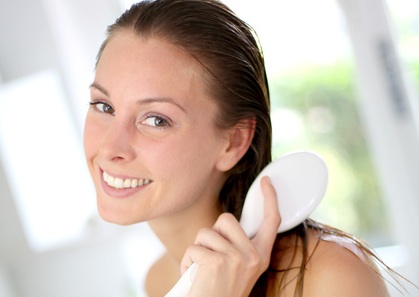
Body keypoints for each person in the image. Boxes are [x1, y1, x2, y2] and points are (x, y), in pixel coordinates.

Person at [83, 0, 394, 296]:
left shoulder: (329, 276)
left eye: (156, 120)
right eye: (103, 106)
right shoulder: (159, 280)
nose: (111, 147)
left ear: (233, 142)